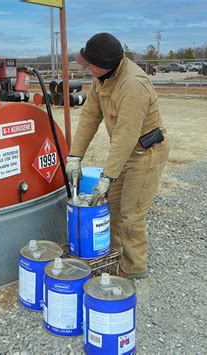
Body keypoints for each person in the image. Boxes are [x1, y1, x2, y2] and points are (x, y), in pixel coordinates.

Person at [65, 32, 170, 279]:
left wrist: (107, 176)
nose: (85, 66)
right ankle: (112, 260)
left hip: (146, 153)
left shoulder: (132, 85)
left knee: (131, 215)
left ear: (103, 65)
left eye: (89, 63)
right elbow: (90, 116)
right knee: (111, 208)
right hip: (126, 153)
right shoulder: (102, 80)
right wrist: (75, 156)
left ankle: (133, 272)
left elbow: (126, 135)